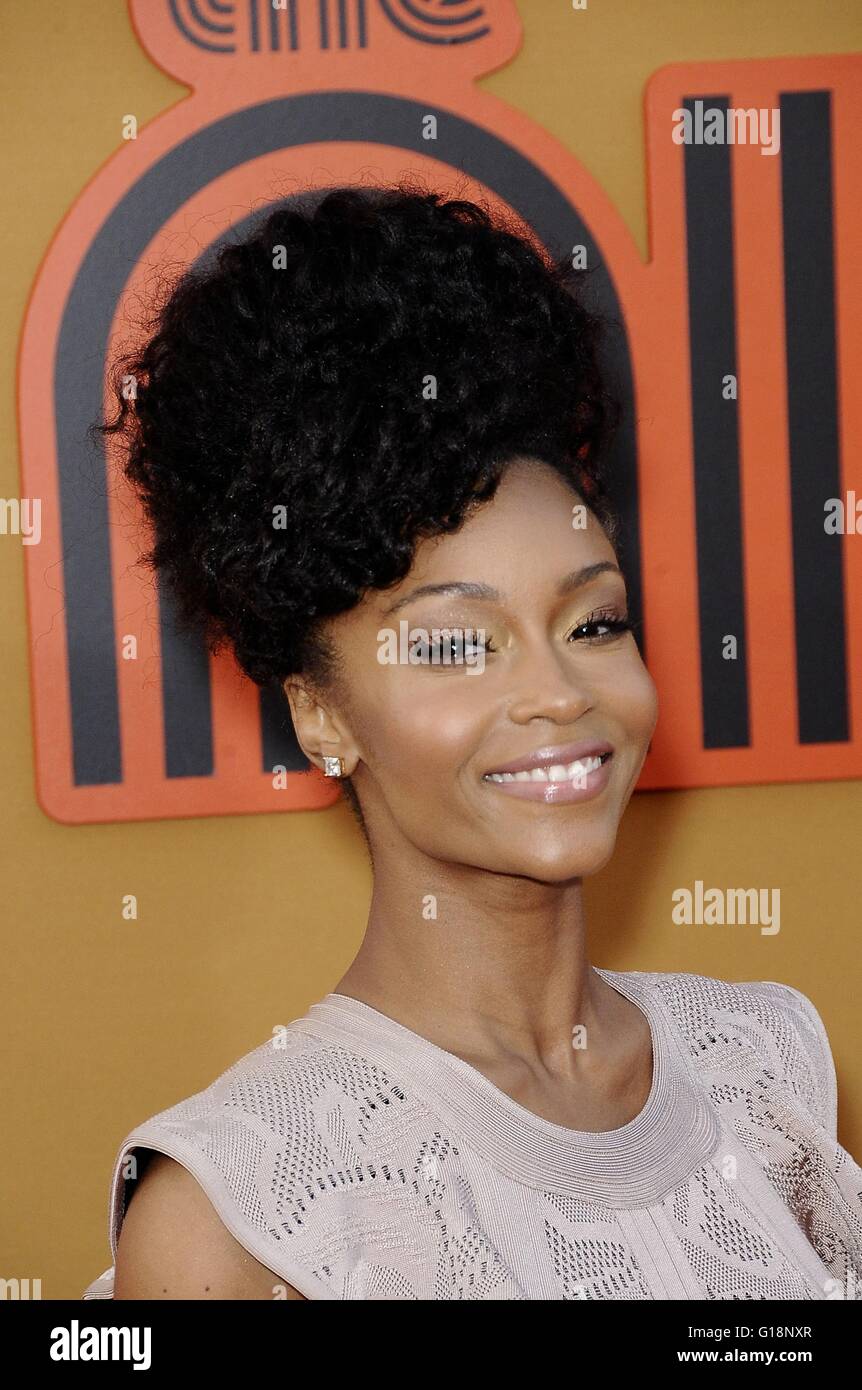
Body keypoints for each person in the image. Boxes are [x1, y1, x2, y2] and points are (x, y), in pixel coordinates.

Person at [83, 183, 862, 1301]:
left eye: (592, 622)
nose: (556, 693)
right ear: (319, 711)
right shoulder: (243, 1212)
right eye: (456, 645)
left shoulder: (761, 1061)